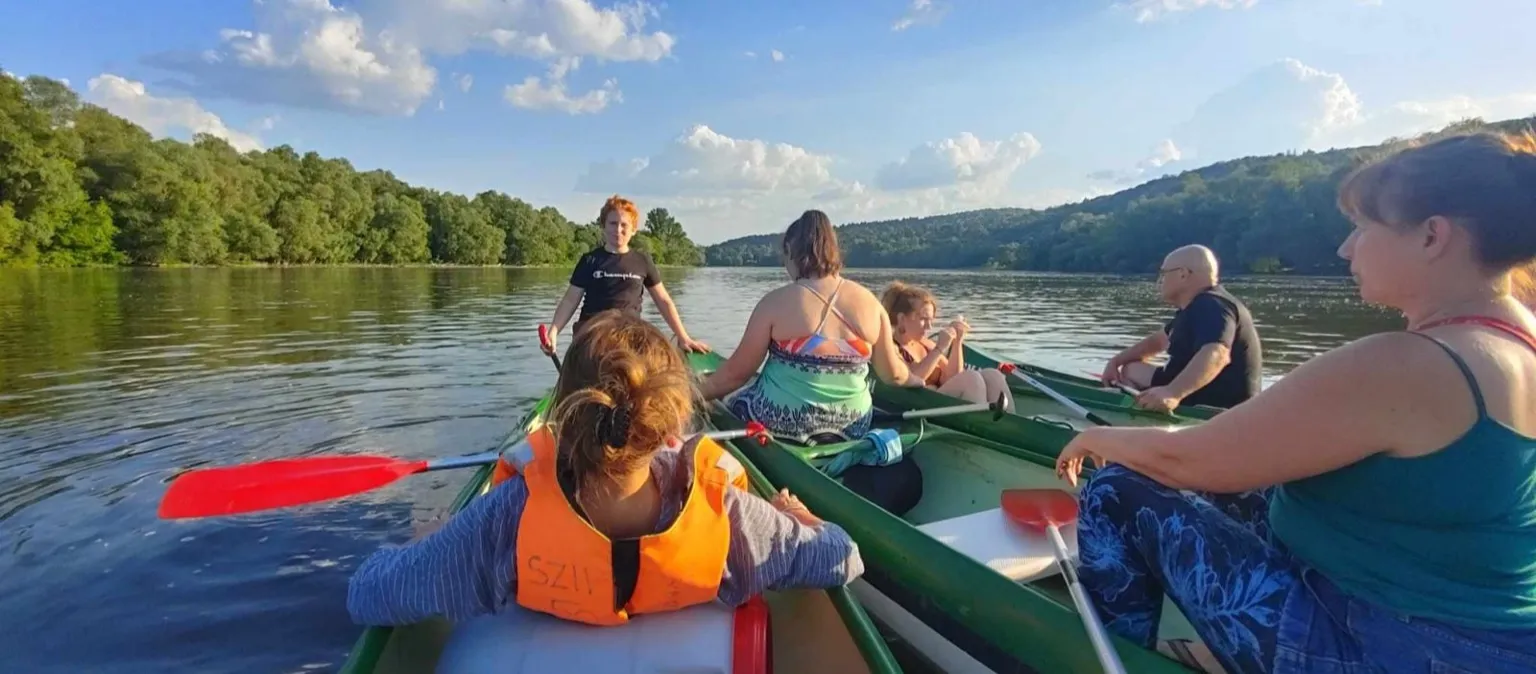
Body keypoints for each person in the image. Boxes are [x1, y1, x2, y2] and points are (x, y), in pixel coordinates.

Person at [1056, 131, 1536, 674]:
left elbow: (1192, 461)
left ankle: (1115, 659)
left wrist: (1099, 437)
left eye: (1362, 226)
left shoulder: (1411, 362)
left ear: (1432, 237)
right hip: (1483, 637)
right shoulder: (1517, 339)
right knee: (1261, 487)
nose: (1345, 248)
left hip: (1388, 648)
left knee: (1117, 487)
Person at [348, 310, 862, 627]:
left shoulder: (504, 517)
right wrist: (800, 519)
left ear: (561, 418)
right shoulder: (732, 516)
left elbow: (368, 594)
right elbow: (844, 557)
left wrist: (431, 542)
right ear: (671, 428)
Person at [698, 210, 929, 515]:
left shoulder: (776, 302)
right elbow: (894, 376)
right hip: (852, 428)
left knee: (730, 400)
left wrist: (690, 391)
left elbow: (734, 375)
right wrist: (919, 381)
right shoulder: (871, 304)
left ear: (793, 252)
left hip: (783, 427)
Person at [1100, 244, 1263, 412]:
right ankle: (1142, 402)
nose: (1160, 281)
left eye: (1164, 274)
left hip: (1216, 408)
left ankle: (1140, 411)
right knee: (1131, 368)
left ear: (1183, 274)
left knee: (1131, 371)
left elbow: (1217, 354)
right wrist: (1116, 361)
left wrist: (1172, 393)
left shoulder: (1210, 305)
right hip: (1203, 393)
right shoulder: (1196, 307)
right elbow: (1157, 341)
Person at [543, 195, 708, 357]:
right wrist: (554, 332)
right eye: (613, 223)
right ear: (603, 226)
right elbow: (570, 300)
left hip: (629, 335)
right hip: (592, 335)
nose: (618, 230)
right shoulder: (590, 261)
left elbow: (664, 301)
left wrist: (683, 336)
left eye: (624, 225)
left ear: (634, 229)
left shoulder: (642, 261)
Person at [880, 281, 1014, 412]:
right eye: (923, 319)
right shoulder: (891, 348)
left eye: (931, 320)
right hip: (916, 405)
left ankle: (1011, 424)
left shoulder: (926, 344)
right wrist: (939, 349)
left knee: (993, 375)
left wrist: (957, 342)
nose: (929, 326)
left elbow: (953, 377)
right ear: (902, 319)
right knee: (971, 379)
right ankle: (984, 425)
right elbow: (912, 379)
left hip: (937, 401)